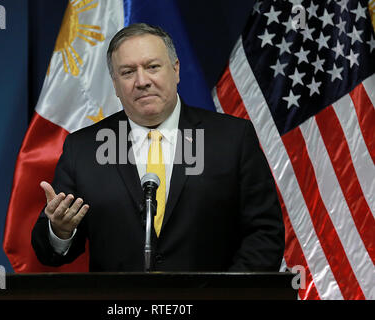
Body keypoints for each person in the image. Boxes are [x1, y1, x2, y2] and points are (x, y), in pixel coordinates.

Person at [31, 23, 285, 272]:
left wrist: (223, 295)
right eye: (128, 72)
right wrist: (61, 231)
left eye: (152, 67)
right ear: (115, 84)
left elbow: (264, 232)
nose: (142, 81)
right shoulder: (83, 148)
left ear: (175, 70)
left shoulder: (232, 138)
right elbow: (49, 250)